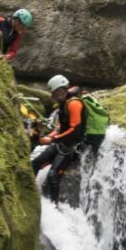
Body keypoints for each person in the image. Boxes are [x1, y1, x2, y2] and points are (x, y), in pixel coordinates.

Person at [31, 74, 87, 204]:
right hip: (62, 143)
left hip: (73, 145)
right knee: (35, 163)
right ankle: (31, 196)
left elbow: (75, 130)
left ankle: (54, 205)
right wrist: (50, 136)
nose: (53, 97)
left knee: (52, 175)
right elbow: (62, 125)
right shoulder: (64, 103)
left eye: (55, 93)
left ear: (62, 90)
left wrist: (53, 139)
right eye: (53, 94)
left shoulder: (74, 104)